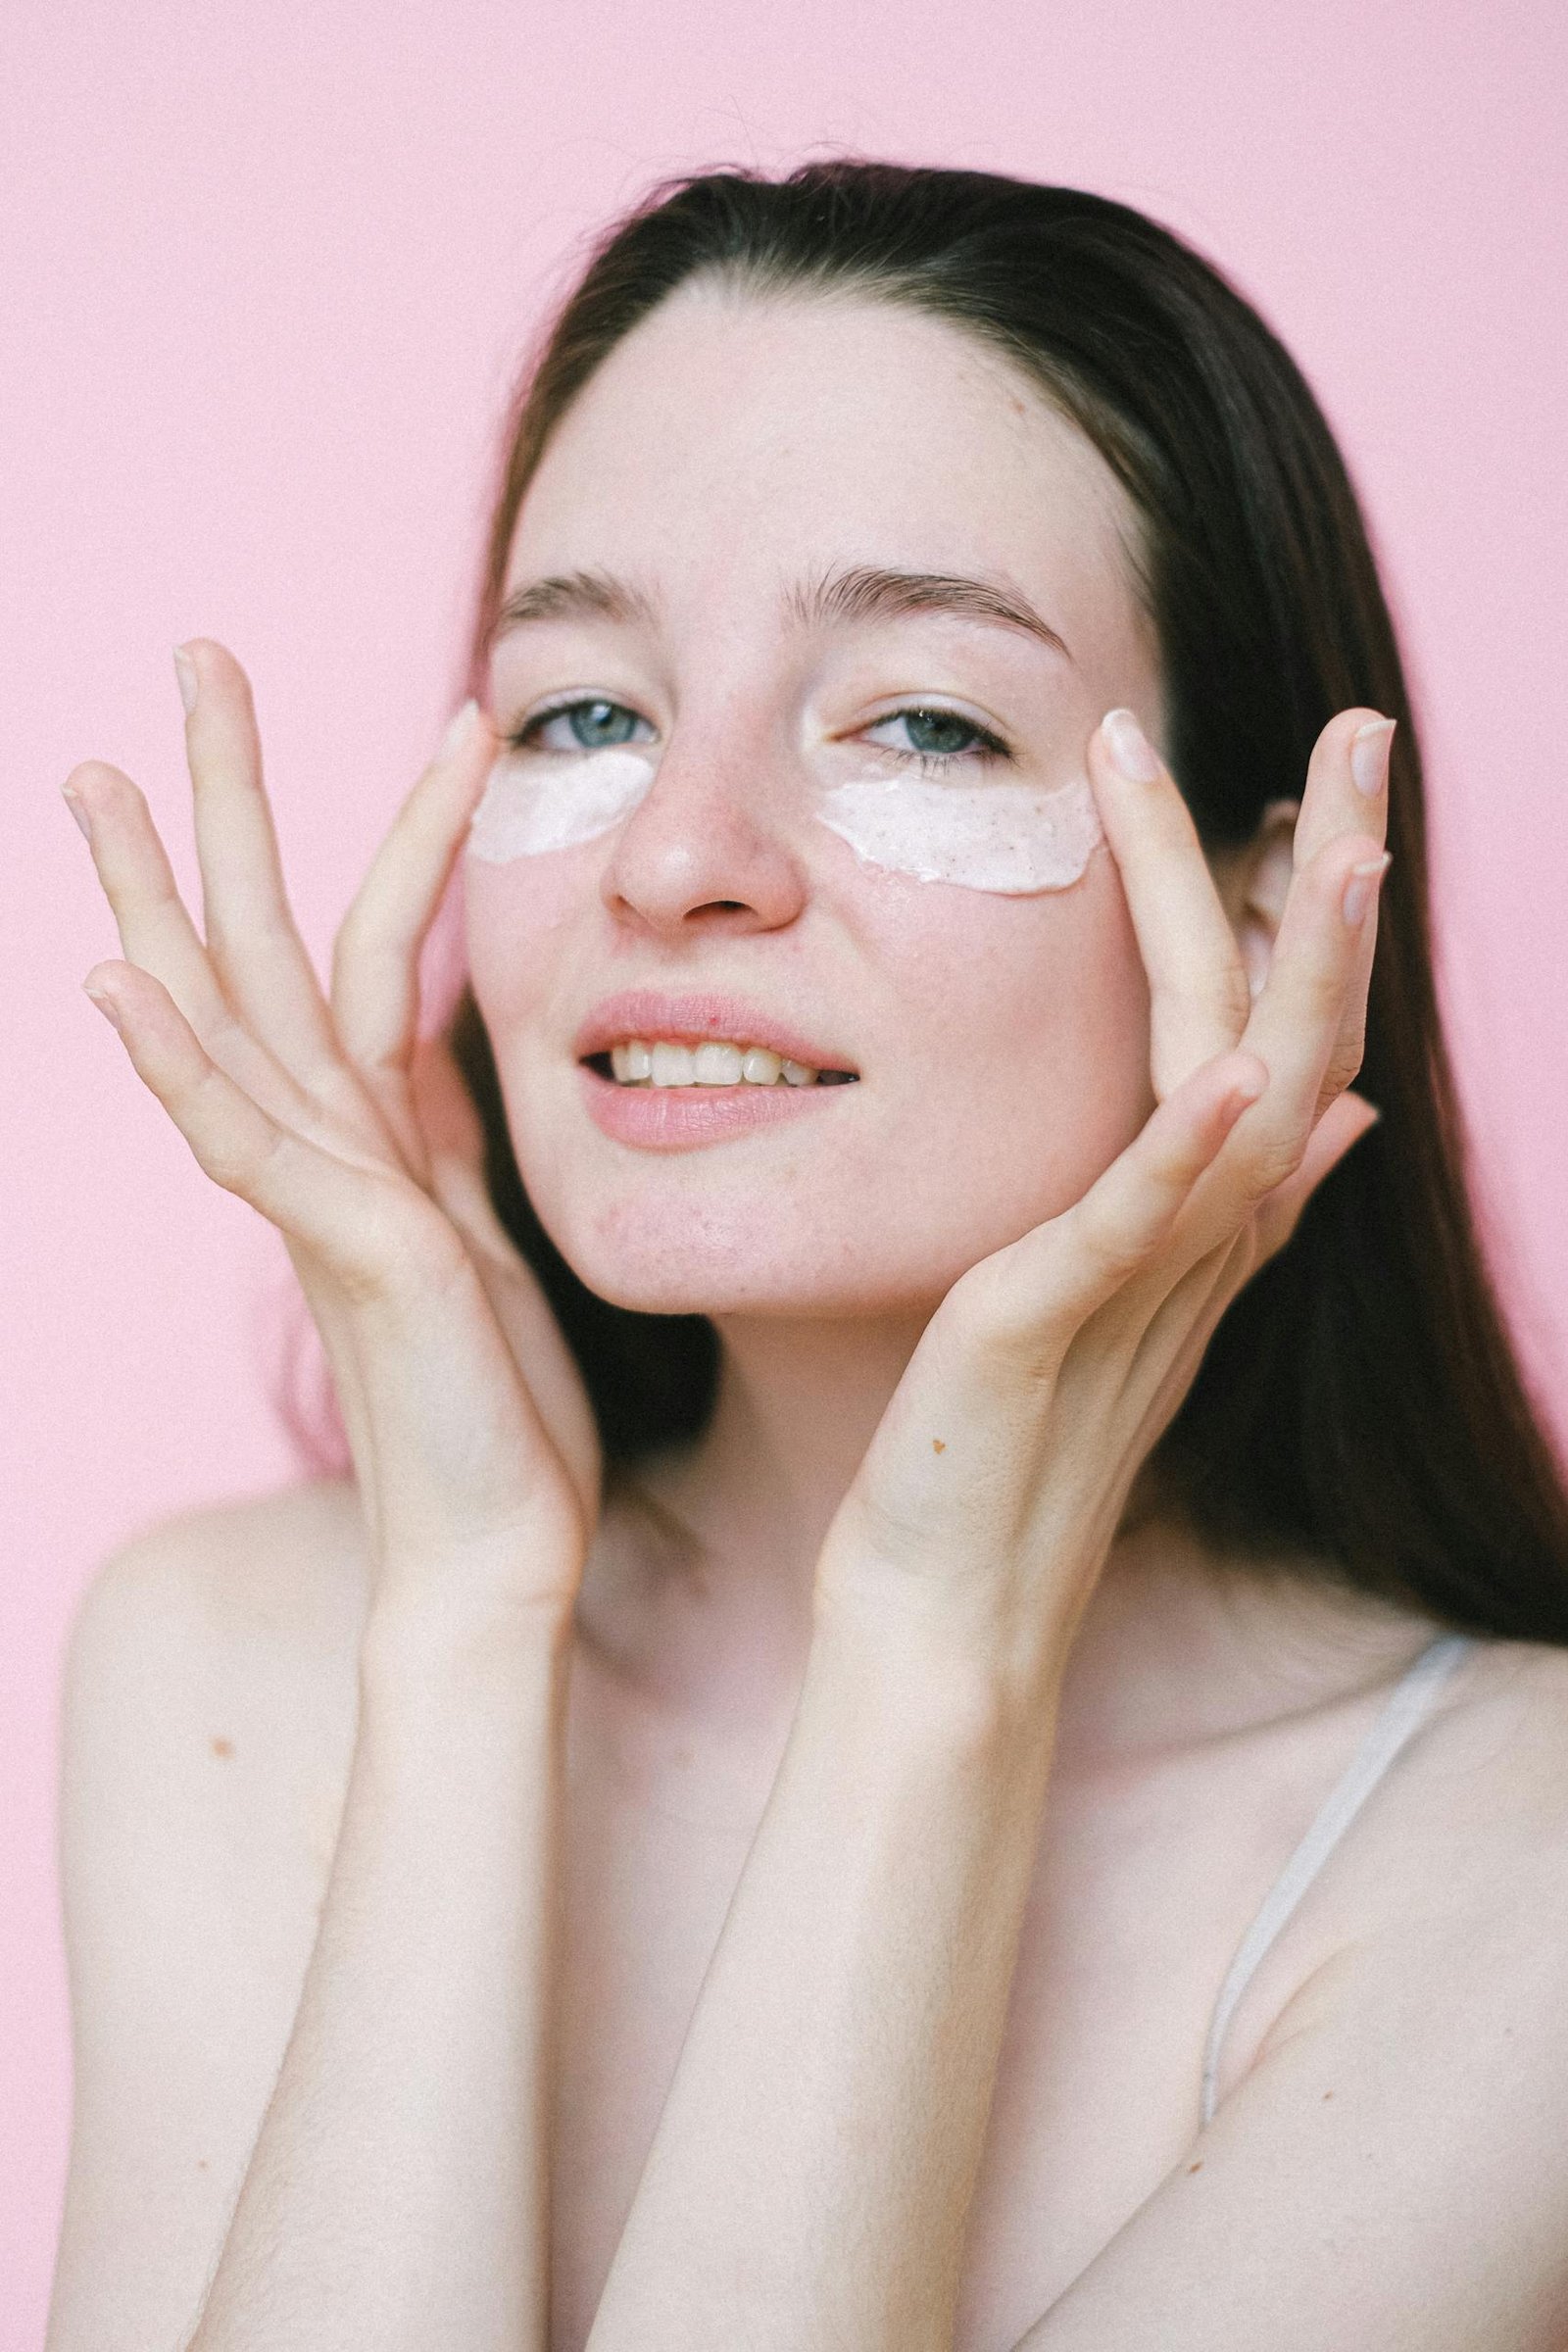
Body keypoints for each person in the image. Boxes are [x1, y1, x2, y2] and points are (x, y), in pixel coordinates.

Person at [45, 163, 1568, 2352]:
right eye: (584, 713)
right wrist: (466, 1618)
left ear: (1259, 926)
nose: (675, 854)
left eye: (921, 722)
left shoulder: (1508, 1868)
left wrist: (932, 1648)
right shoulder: (235, 1663)